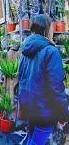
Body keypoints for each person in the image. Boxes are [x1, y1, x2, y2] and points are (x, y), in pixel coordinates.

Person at [18, 14, 69, 145]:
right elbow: (56, 87)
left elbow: (21, 79)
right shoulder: (51, 51)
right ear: (47, 29)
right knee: (36, 142)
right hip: (44, 110)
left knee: (31, 139)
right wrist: (63, 114)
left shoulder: (25, 51)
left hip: (28, 106)